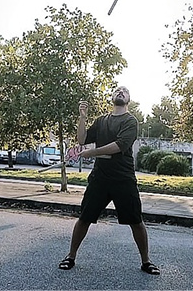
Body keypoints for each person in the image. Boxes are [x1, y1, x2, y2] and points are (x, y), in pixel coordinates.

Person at [59, 86, 160, 275]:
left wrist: (92, 152)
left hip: (123, 179)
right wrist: (82, 117)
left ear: (128, 98)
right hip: (100, 178)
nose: (120, 92)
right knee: (84, 218)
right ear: (112, 97)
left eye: (124, 91)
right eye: (116, 90)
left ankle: (146, 261)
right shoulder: (101, 121)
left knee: (136, 221)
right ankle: (70, 256)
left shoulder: (131, 121)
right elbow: (81, 140)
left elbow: (119, 145)